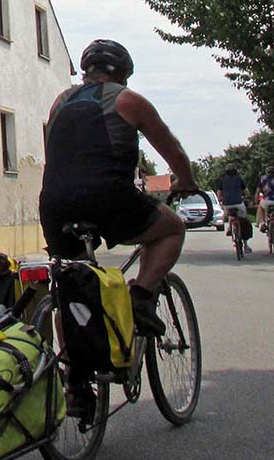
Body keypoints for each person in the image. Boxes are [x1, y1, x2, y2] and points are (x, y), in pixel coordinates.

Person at [40, 39, 198, 337]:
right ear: (124, 73)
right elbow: (171, 149)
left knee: (73, 291)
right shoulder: (127, 100)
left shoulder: (60, 102)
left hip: (54, 204)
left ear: (86, 72)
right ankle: (140, 297)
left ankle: (75, 378)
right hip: (106, 197)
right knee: (173, 228)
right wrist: (185, 180)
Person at [217, 165, 251, 253]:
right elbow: (246, 191)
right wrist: (247, 197)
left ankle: (230, 227)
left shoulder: (223, 180)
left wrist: (220, 199)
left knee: (229, 213)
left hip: (227, 203)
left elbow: (219, 192)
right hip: (239, 203)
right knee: (243, 219)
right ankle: (246, 245)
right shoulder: (239, 179)